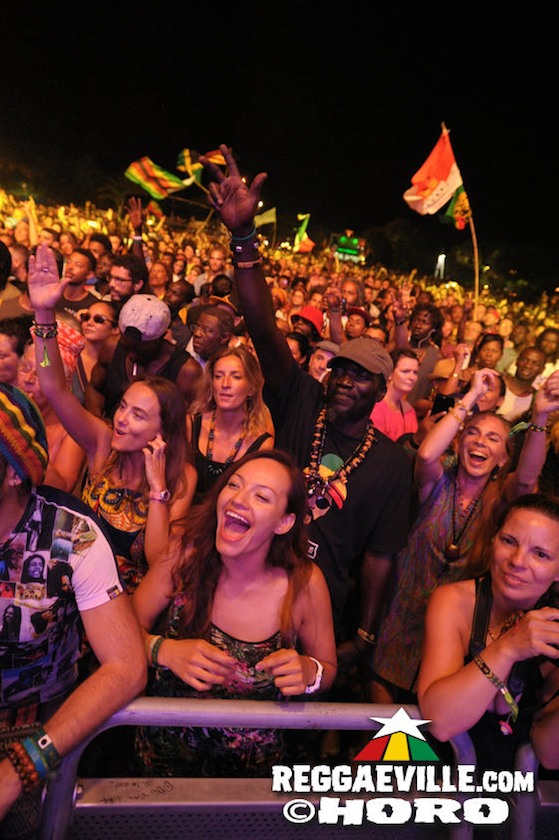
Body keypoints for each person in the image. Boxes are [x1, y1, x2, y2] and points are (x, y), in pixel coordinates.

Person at [200, 146, 413, 675]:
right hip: (245, 579)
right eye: (340, 369)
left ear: (380, 391)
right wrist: (243, 238)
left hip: (320, 609)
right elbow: (263, 326)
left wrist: (363, 635)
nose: (345, 381)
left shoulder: (390, 465)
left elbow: (380, 556)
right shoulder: (301, 400)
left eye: (360, 376)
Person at [132, 449, 337, 777]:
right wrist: (163, 651)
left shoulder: (305, 584)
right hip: (161, 769)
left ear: (284, 522)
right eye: (234, 485)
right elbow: (124, 631)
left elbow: (327, 669)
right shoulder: (184, 554)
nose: (239, 499)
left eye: (261, 497)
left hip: (248, 781)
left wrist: (308, 671)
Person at [0, 382, 146, 837]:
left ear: (12, 473)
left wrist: (21, 767)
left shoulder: (70, 536)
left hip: (26, 727)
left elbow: (126, 667)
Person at [371, 366, 559, 703]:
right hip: (403, 614)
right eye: (472, 433)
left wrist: (541, 417)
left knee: (431, 720)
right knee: (385, 727)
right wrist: (471, 396)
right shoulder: (436, 480)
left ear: (503, 459)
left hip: (457, 627)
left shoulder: (500, 499)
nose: (480, 442)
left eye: (492, 438)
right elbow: (427, 453)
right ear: (458, 442)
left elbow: (529, 478)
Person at [26, 245, 198, 593]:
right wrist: (45, 315)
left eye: (138, 415)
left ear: (162, 428)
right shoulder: (103, 443)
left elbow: (159, 560)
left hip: (122, 602)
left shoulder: (181, 476)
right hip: (63, 589)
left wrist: (157, 489)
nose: (121, 420)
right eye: (122, 407)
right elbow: (55, 388)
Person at [417, 494, 559, 773]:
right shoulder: (454, 602)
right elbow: (441, 722)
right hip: (437, 780)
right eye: (509, 541)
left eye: (540, 554)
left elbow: (550, 753)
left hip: (512, 795)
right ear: (493, 540)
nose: (518, 561)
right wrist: (509, 647)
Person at [187, 345, 274, 501]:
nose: (225, 384)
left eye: (236, 377)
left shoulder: (261, 444)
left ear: (252, 388)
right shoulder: (191, 425)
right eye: (219, 376)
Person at [371, 348, 419, 442]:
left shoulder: (409, 409)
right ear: (390, 373)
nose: (412, 377)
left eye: (415, 372)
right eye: (405, 371)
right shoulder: (376, 406)